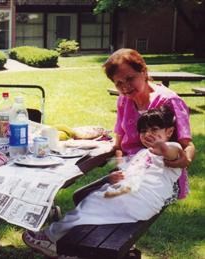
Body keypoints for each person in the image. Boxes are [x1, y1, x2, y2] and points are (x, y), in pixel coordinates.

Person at [23, 107, 184, 257]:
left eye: (154, 129)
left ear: (169, 131)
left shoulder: (173, 147)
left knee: (92, 203)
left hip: (142, 200)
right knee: (88, 198)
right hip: (134, 197)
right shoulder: (144, 153)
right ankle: (65, 240)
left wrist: (161, 145)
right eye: (144, 131)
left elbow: (172, 153)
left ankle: (51, 237)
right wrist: (116, 172)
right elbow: (129, 171)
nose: (148, 134)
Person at [104, 48, 194, 199]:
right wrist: (120, 167)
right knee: (92, 198)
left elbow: (186, 146)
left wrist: (186, 159)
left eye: (130, 78)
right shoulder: (123, 100)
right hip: (131, 171)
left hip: (160, 174)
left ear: (144, 72)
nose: (125, 87)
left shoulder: (169, 101)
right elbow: (119, 145)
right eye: (118, 83)